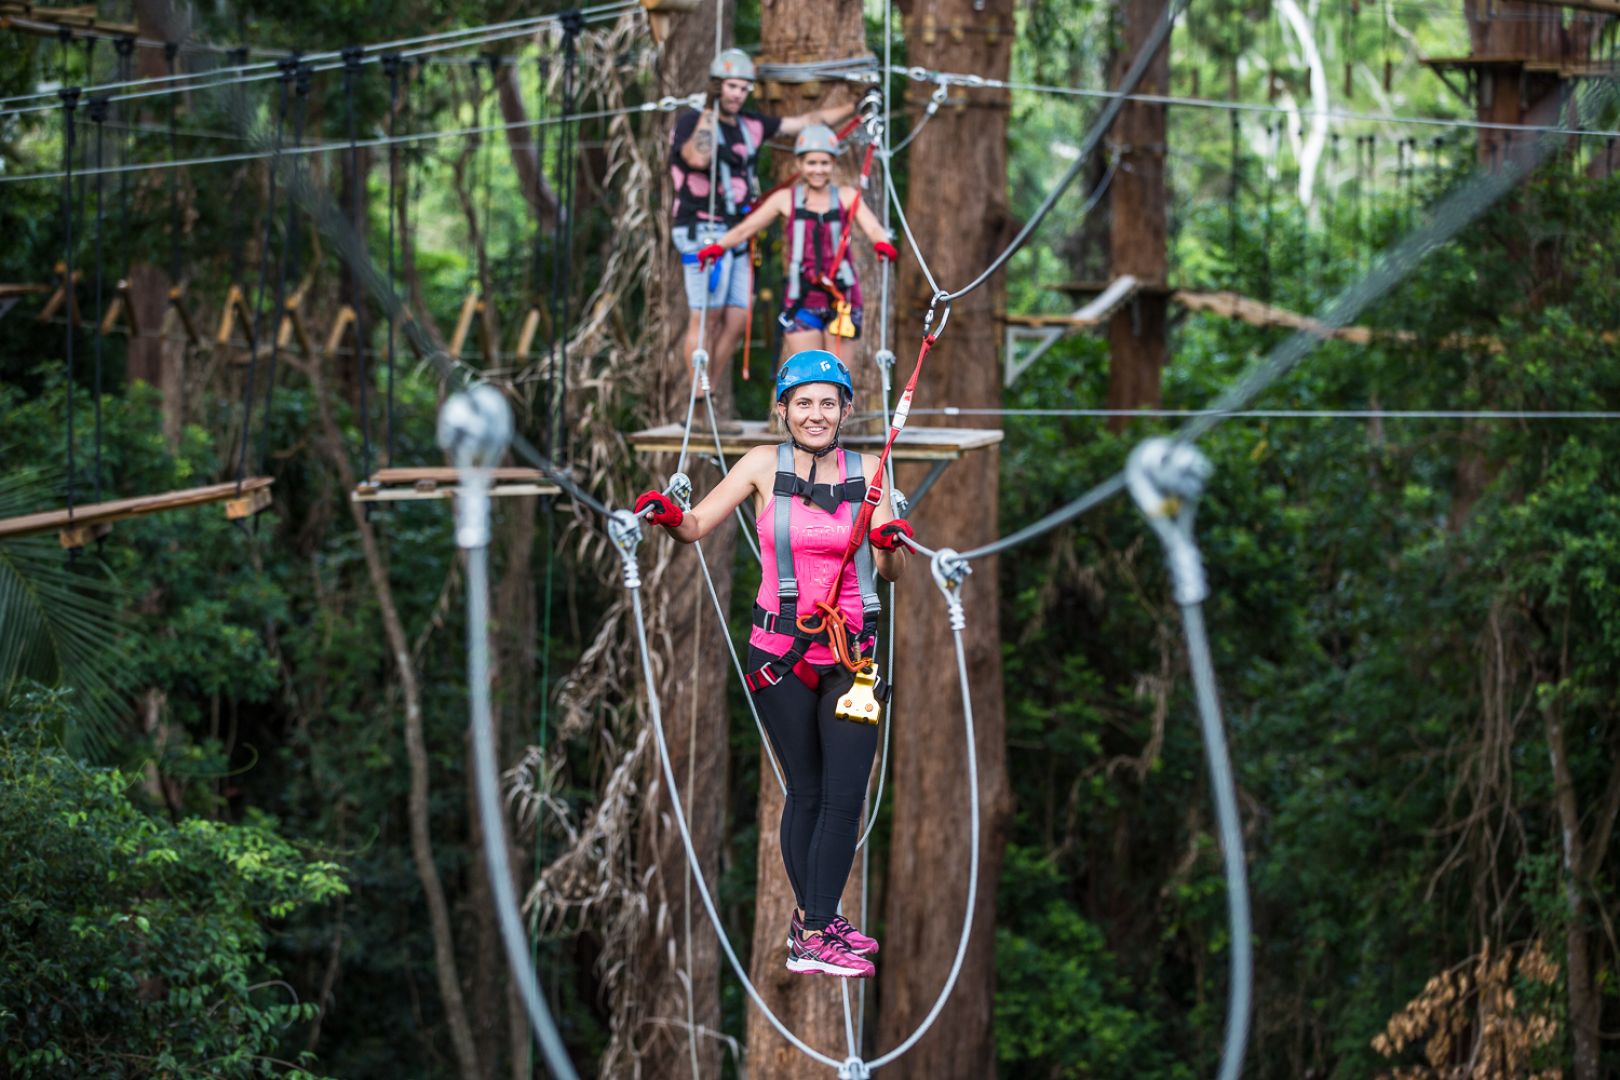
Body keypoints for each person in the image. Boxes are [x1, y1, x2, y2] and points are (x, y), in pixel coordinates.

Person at [634, 350, 916, 979]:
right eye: (803, 403)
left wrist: (887, 544)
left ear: (845, 409)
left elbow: (893, 573)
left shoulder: (872, 470)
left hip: (850, 658)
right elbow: (700, 523)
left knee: (843, 796)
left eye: (827, 403)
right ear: (784, 410)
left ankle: (815, 927)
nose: (815, 414)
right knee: (807, 791)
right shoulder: (762, 464)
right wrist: (670, 516)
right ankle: (815, 926)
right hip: (780, 656)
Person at [669, 49, 866, 391]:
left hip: (739, 233)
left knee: (736, 319)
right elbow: (698, 158)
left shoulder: (751, 125)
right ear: (717, 86)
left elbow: (808, 121)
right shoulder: (692, 122)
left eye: (743, 88)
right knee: (707, 317)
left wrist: (856, 108)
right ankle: (698, 401)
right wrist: (708, 110)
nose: (736, 94)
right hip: (700, 228)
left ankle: (708, 392)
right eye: (730, 86)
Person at [697, 124, 898, 357]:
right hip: (802, 298)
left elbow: (873, 227)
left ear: (833, 164)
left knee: (839, 380)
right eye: (811, 163)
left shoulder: (846, 197)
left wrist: (882, 244)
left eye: (824, 163)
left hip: (843, 297)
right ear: (799, 165)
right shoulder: (785, 199)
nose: (818, 169)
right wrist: (717, 247)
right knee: (807, 378)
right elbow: (747, 228)